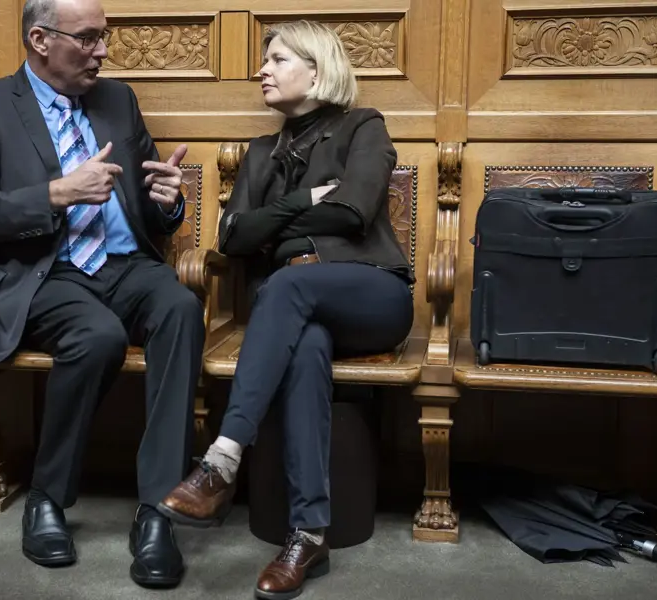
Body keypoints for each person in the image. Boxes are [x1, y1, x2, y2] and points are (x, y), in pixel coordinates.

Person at [0, 0, 204, 588]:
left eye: (103, 38)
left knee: (182, 307)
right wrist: (57, 193)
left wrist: (169, 200)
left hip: (125, 265)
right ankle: (47, 498)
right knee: (97, 335)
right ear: (40, 39)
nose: (102, 51)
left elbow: (149, 208)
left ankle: (159, 511)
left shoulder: (118, 100)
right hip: (45, 273)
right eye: (87, 39)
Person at [156, 20, 414, 600]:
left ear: (317, 70)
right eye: (264, 61)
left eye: (276, 60)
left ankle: (222, 460)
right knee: (305, 349)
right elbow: (231, 238)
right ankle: (308, 534)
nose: (261, 70)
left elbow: (353, 212)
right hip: (298, 309)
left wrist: (271, 224)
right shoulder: (261, 151)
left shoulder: (362, 126)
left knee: (284, 288)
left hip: (371, 292)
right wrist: (303, 200)